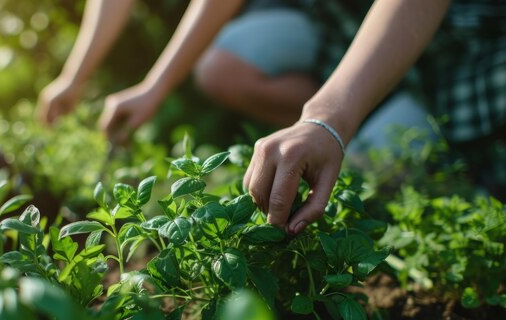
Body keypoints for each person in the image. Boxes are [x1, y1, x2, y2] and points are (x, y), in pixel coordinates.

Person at [243, 0, 506, 235]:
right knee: (366, 179)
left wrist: (324, 121)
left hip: (479, 49)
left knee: (368, 185)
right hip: (400, 41)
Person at [36, 0, 321, 144]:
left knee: (220, 70)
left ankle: (339, 121)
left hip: (323, 13)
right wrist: (73, 79)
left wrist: (155, 86)